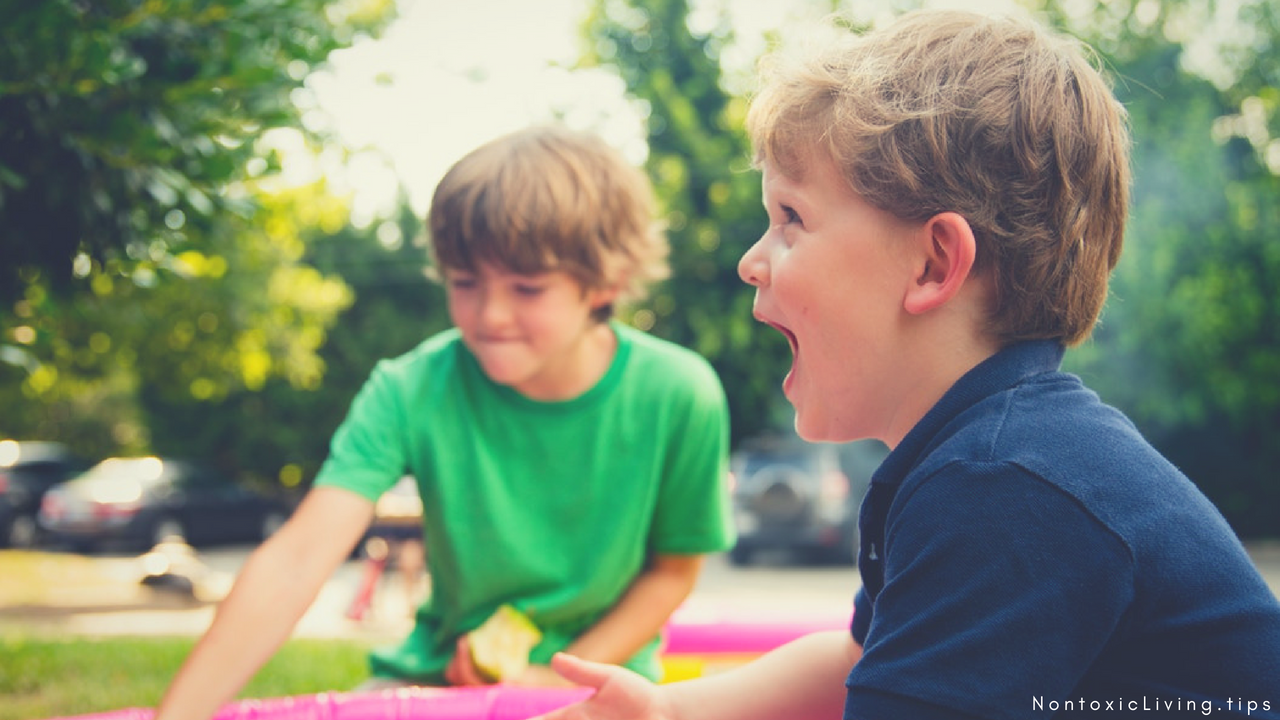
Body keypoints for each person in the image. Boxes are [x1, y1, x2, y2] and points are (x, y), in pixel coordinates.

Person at [531, 9, 1280, 720]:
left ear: (933, 264)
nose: (750, 261)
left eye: (791, 218)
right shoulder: (985, 456)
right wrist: (672, 709)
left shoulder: (1003, 487)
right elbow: (859, 660)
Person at [154, 124, 736, 719]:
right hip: (436, 683)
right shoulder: (409, 388)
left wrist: (552, 679)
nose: (491, 314)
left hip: (603, 689)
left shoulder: (679, 393)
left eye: (528, 288)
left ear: (605, 283)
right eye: (465, 283)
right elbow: (298, 559)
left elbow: (672, 571)